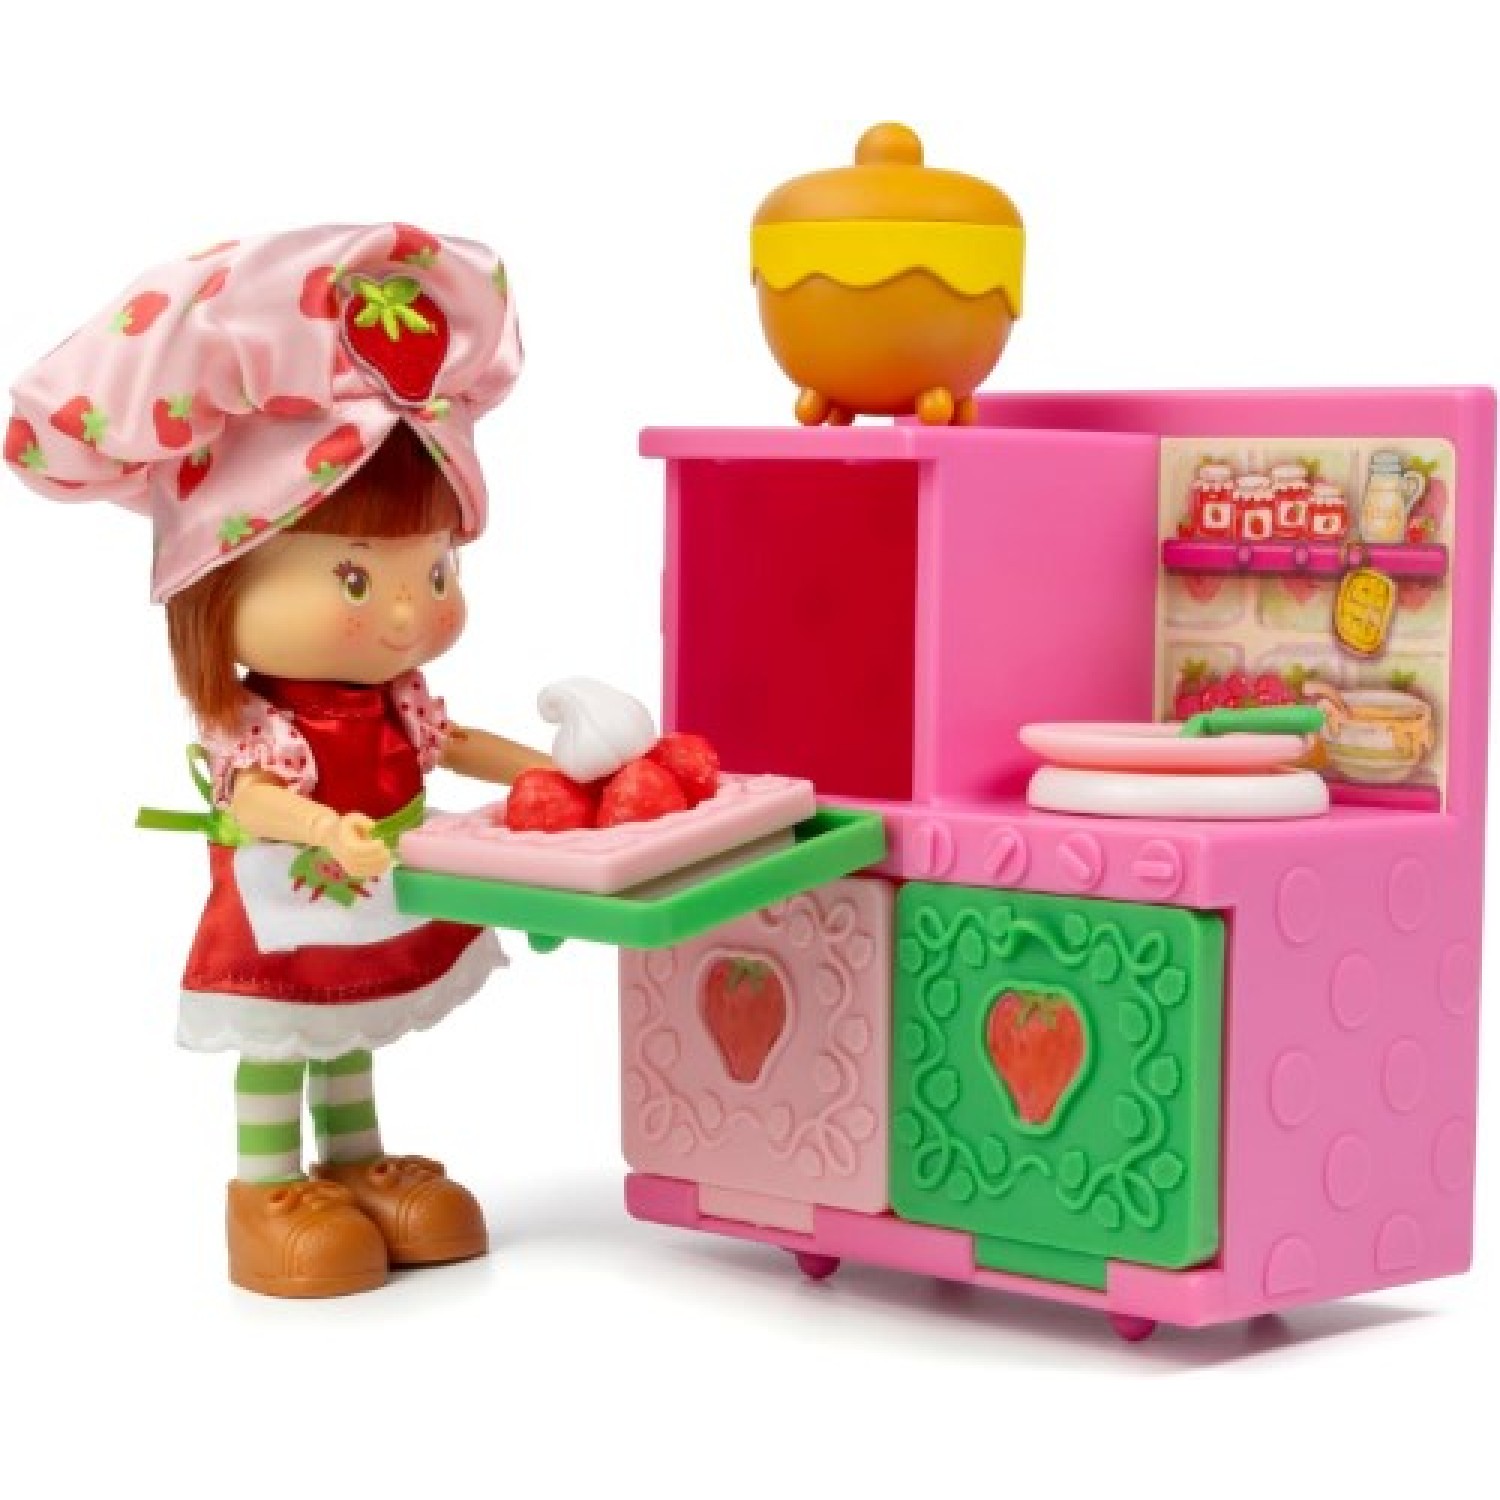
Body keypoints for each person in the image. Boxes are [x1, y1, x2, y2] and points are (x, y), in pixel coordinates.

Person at [6, 224, 551, 1298]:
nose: (410, 613)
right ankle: (265, 1188)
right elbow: (251, 799)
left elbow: (456, 742)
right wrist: (319, 826)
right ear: (216, 582)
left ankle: (355, 1162)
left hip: (368, 889)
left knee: (350, 1021)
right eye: (356, 579)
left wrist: (549, 771)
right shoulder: (265, 724)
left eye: (436, 570)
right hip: (279, 898)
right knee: (281, 1030)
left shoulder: (394, 700)